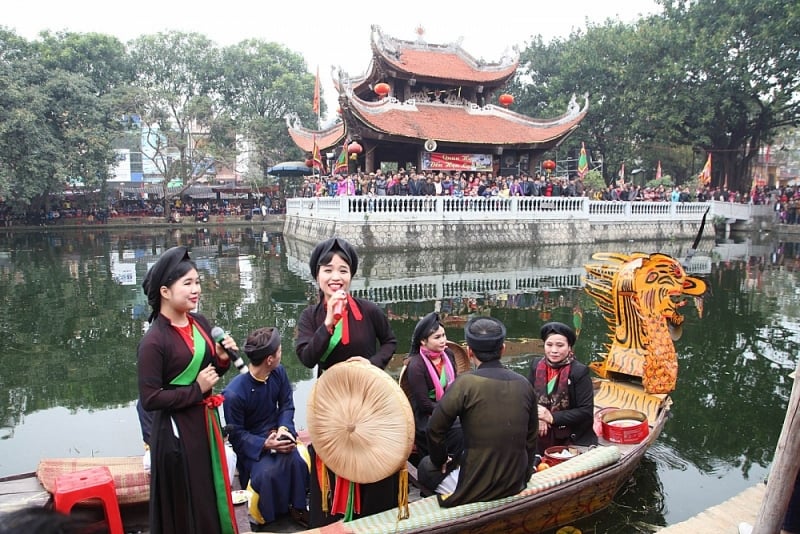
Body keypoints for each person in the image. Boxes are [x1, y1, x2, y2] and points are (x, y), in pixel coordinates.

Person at [295, 236, 398, 526]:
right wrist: (328, 323)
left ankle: (375, 524)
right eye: (327, 269)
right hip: (332, 407)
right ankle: (333, 523)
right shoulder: (311, 317)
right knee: (329, 461)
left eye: (343, 269)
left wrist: (373, 363)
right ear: (316, 275)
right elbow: (307, 358)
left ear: (351, 275)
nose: (335, 276)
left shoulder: (368, 310)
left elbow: (390, 341)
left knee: (374, 460)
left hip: (369, 402)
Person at [137, 245, 238, 534]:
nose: (196, 289)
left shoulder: (200, 323)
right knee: (186, 499)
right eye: (188, 283)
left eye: (197, 282)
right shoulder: (154, 342)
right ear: (165, 292)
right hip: (174, 434)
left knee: (209, 490)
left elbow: (211, 373)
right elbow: (150, 398)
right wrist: (196, 390)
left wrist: (220, 358)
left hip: (205, 424)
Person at [417, 316, 538, 507]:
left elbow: (434, 429)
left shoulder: (465, 384)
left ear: (469, 351)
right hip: (515, 480)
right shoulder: (524, 385)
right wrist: (525, 474)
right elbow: (531, 440)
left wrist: (440, 460)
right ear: (503, 349)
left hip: (474, 485)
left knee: (425, 466)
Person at [222, 327, 310, 531]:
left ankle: (298, 507)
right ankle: (268, 521)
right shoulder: (234, 394)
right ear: (269, 359)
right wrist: (265, 444)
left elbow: (286, 405)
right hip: (253, 447)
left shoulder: (278, 372)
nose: (281, 353)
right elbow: (236, 436)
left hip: (277, 433)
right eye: (279, 351)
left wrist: (283, 430)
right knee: (267, 474)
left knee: (296, 461)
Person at [528, 322, 597, 454]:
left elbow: (586, 411)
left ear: (569, 347)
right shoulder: (536, 365)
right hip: (539, 430)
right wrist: (539, 417)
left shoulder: (579, 372)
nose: (554, 350)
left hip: (571, 435)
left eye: (560, 345)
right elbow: (527, 397)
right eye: (549, 345)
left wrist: (551, 417)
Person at [404, 312, 464, 460]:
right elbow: (424, 404)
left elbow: (455, 385)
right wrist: (451, 411)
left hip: (448, 406)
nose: (443, 340)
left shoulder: (448, 354)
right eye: (437, 337)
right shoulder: (416, 366)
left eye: (443, 335)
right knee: (460, 428)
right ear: (423, 341)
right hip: (426, 415)